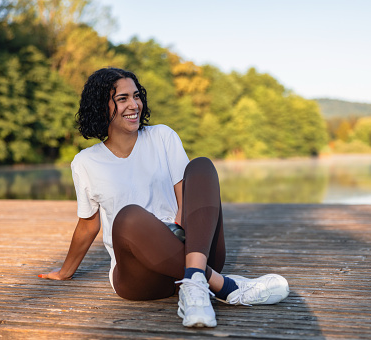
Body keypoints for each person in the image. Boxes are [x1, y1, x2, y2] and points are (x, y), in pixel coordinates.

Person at [38, 67, 289, 328]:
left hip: (192, 249)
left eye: (136, 96)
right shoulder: (85, 162)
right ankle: (221, 285)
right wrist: (65, 272)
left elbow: (186, 203)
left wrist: (179, 241)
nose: (134, 104)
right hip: (141, 277)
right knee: (129, 217)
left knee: (201, 166)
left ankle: (194, 280)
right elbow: (89, 224)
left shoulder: (162, 137)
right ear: (101, 106)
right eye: (122, 98)